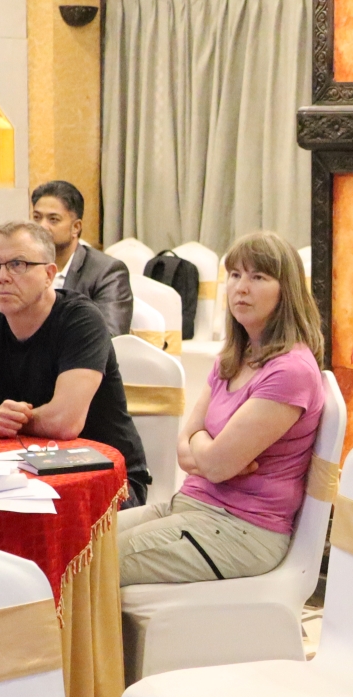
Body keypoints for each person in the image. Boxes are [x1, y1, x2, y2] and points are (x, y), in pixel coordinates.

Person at [119, 231, 326, 585]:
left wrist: (208, 452)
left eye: (258, 277)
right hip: (192, 506)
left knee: (90, 564)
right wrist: (212, 452)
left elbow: (213, 465)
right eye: (234, 275)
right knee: (76, 542)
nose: (241, 288)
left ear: (286, 291)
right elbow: (185, 452)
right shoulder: (233, 357)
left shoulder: (290, 371)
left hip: (243, 530)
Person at [0, 221, 150, 503]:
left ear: (49, 274)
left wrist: (3, 423)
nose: (2, 277)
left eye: (17, 264)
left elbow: (64, 423)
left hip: (108, 478)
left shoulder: (81, 320)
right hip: (21, 471)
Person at [31, 180, 132, 335]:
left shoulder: (107, 272)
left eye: (53, 219)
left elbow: (108, 335)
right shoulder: (23, 265)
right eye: (37, 217)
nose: (42, 226)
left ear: (76, 227)